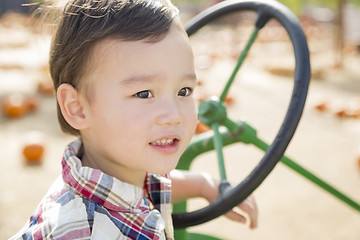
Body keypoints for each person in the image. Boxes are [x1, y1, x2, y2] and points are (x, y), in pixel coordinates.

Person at [11, 0, 257, 239]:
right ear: (78, 108)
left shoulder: (111, 170)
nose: (173, 116)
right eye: (143, 94)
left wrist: (203, 184)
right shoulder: (88, 232)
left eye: (184, 91)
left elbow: (144, 188)